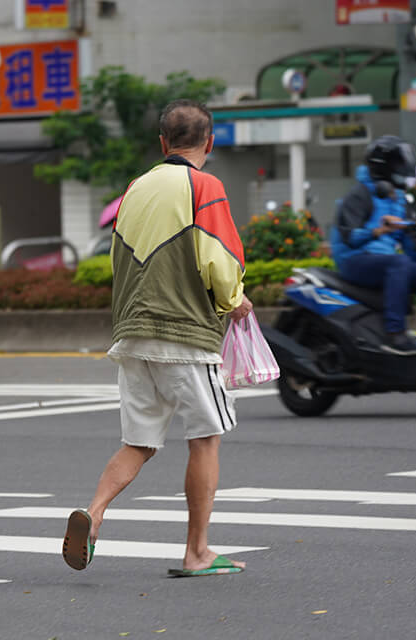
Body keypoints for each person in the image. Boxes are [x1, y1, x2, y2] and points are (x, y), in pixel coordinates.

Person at [62, 100, 252, 578]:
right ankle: (197, 552)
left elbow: (117, 258)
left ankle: (95, 513)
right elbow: (219, 260)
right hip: (185, 332)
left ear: (163, 143)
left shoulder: (135, 188)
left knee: (139, 442)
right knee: (205, 438)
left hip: (132, 334)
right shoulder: (205, 186)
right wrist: (235, 300)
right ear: (209, 142)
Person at [330, 136, 416, 356]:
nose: (402, 169)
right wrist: (378, 230)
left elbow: (409, 242)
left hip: (382, 261)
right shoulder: (360, 194)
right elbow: (350, 237)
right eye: (398, 163)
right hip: (354, 259)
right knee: (399, 264)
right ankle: (395, 334)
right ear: (384, 166)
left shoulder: (398, 198)